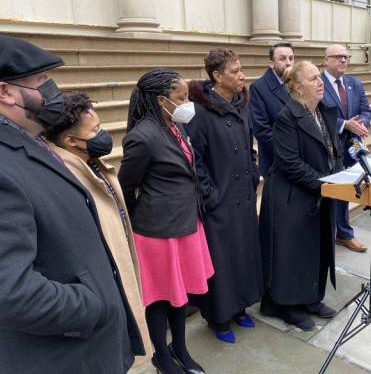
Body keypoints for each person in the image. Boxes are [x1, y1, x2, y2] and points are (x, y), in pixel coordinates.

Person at [0, 34, 144, 373]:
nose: (53, 91)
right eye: (42, 81)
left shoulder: (26, 141)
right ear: (5, 93)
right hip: (69, 355)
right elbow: (12, 291)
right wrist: (94, 306)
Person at [44, 93, 153, 366]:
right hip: (98, 292)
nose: (103, 135)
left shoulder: (91, 163)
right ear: (70, 140)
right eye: (95, 131)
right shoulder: (65, 177)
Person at [119, 69, 213, 374]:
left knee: (180, 294)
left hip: (186, 224)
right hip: (158, 232)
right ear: (161, 100)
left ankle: (180, 349)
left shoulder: (174, 125)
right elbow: (126, 186)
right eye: (180, 98)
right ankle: (161, 354)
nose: (187, 103)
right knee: (160, 299)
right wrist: (143, 217)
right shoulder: (142, 136)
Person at [187, 49, 263, 344]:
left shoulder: (243, 105)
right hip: (219, 200)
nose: (242, 76)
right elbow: (195, 159)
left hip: (243, 195)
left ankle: (240, 307)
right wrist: (210, 195)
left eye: (241, 69)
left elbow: (249, 144)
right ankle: (218, 318)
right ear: (217, 76)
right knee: (222, 262)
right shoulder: (200, 111)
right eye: (235, 71)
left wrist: (254, 172)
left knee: (243, 255)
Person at [259, 61, 342, 331]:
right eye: (313, 78)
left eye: (320, 77)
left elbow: (333, 152)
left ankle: (311, 299)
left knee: (317, 250)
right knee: (293, 254)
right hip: (291, 196)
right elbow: (290, 163)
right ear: (296, 87)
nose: (320, 82)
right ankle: (288, 306)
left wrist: (340, 176)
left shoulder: (324, 112)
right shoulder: (287, 116)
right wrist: (325, 184)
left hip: (320, 192)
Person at [321, 44, 371, 253]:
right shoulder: (318, 82)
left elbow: (366, 110)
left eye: (346, 56)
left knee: (344, 192)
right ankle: (325, 236)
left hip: (350, 148)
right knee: (328, 193)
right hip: (326, 148)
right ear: (326, 60)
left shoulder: (354, 83)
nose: (343, 60)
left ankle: (344, 234)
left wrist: (360, 124)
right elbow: (316, 114)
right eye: (338, 57)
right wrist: (344, 124)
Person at [249, 42, 294, 176]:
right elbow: (262, 130)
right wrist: (290, 153)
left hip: (302, 161)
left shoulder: (298, 83)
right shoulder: (259, 87)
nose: (288, 63)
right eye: (282, 58)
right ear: (271, 63)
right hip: (277, 163)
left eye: (291, 58)